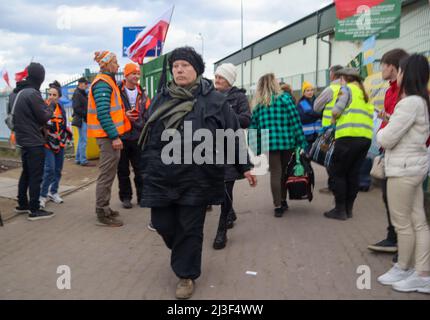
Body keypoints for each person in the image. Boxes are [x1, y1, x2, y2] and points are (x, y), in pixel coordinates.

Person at [139, 47, 257, 299]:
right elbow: (149, 135)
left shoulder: (215, 100)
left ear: (197, 70)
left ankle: (186, 275)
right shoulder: (162, 98)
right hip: (163, 176)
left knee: (190, 229)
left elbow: (233, 133)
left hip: (198, 176)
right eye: (175, 66)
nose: (179, 70)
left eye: (185, 65)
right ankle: (181, 252)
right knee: (162, 224)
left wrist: (244, 166)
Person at [376, 54, 430, 293]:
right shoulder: (422, 101)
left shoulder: (409, 103)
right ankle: (421, 272)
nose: (397, 74)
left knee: (403, 223)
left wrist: (382, 129)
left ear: (406, 74)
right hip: (414, 167)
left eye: (400, 70)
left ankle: (405, 266)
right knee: (418, 221)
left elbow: (386, 138)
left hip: (403, 169)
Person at [367, 49, 409, 258]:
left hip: (403, 156)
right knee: (388, 197)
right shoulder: (390, 91)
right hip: (389, 151)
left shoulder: (407, 92)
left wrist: (387, 125)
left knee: (404, 205)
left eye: (382, 65)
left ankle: (405, 247)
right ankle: (393, 238)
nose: (381, 69)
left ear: (393, 66)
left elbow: (403, 124)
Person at [249, 73, 307, 218]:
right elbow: (295, 122)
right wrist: (301, 141)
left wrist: (255, 149)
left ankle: (278, 205)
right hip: (287, 142)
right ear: (274, 84)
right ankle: (283, 199)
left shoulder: (258, 104)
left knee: (275, 172)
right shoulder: (285, 99)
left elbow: (253, 128)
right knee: (286, 171)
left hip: (269, 143)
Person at [87, 51, 133, 227]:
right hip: (107, 137)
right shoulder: (103, 84)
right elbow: (103, 114)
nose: (118, 65)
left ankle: (105, 208)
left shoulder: (107, 82)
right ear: (105, 65)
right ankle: (101, 212)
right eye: (114, 62)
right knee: (106, 175)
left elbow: (109, 111)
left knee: (109, 173)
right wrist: (114, 137)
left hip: (108, 136)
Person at [324, 68, 374, 221]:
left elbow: (337, 110)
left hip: (348, 137)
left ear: (344, 78)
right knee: (353, 173)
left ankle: (339, 210)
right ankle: (348, 209)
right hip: (365, 139)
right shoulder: (364, 94)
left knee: (337, 171)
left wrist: (333, 118)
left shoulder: (346, 89)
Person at [8, 62, 55, 221]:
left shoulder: (15, 93)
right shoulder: (32, 94)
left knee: (26, 173)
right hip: (34, 141)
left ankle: (22, 204)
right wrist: (51, 107)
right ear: (39, 77)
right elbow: (43, 116)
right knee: (36, 175)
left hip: (22, 140)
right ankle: (34, 210)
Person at [212, 63, 251, 250]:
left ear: (229, 80)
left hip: (231, 146)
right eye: (216, 76)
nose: (217, 80)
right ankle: (230, 211)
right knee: (216, 185)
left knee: (227, 184)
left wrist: (227, 116)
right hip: (209, 147)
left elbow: (246, 119)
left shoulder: (239, 97)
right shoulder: (209, 96)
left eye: (221, 78)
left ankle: (221, 232)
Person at [117, 63, 149, 210]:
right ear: (126, 75)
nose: (136, 76)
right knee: (122, 170)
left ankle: (142, 196)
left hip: (138, 136)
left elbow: (148, 112)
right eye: (133, 73)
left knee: (140, 169)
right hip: (122, 136)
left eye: (137, 73)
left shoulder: (143, 93)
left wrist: (143, 123)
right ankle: (125, 197)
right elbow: (112, 111)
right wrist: (124, 116)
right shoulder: (117, 91)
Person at [39, 81, 71, 208]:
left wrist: (64, 135)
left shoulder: (61, 108)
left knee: (58, 169)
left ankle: (54, 192)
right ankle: (42, 195)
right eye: (50, 94)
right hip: (47, 144)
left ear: (59, 97)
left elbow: (63, 124)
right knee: (49, 169)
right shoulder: (43, 107)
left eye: (54, 95)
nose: (51, 97)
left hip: (60, 143)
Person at [314, 65, 343, 194]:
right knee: (340, 159)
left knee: (327, 157)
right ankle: (340, 185)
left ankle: (333, 186)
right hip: (345, 130)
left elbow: (316, 107)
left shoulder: (331, 89)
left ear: (333, 75)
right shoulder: (350, 88)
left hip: (329, 131)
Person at [72, 77, 94, 166]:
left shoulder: (81, 93)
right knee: (83, 140)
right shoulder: (78, 94)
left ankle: (78, 159)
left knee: (81, 140)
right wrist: (86, 114)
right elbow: (76, 108)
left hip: (81, 119)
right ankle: (83, 160)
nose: (87, 85)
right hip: (81, 120)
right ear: (80, 83)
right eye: (86, 84)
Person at [296, 81, 321, 150]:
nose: (310, 92)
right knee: (307, 156)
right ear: (303, 93)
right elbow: (303, 118)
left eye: (311, 90)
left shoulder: (317, 101)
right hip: (307, 136)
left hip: (318, 134)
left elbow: (322, 114)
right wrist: (317, 115)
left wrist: (312, 114)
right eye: (307, 90)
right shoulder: (301, 103)